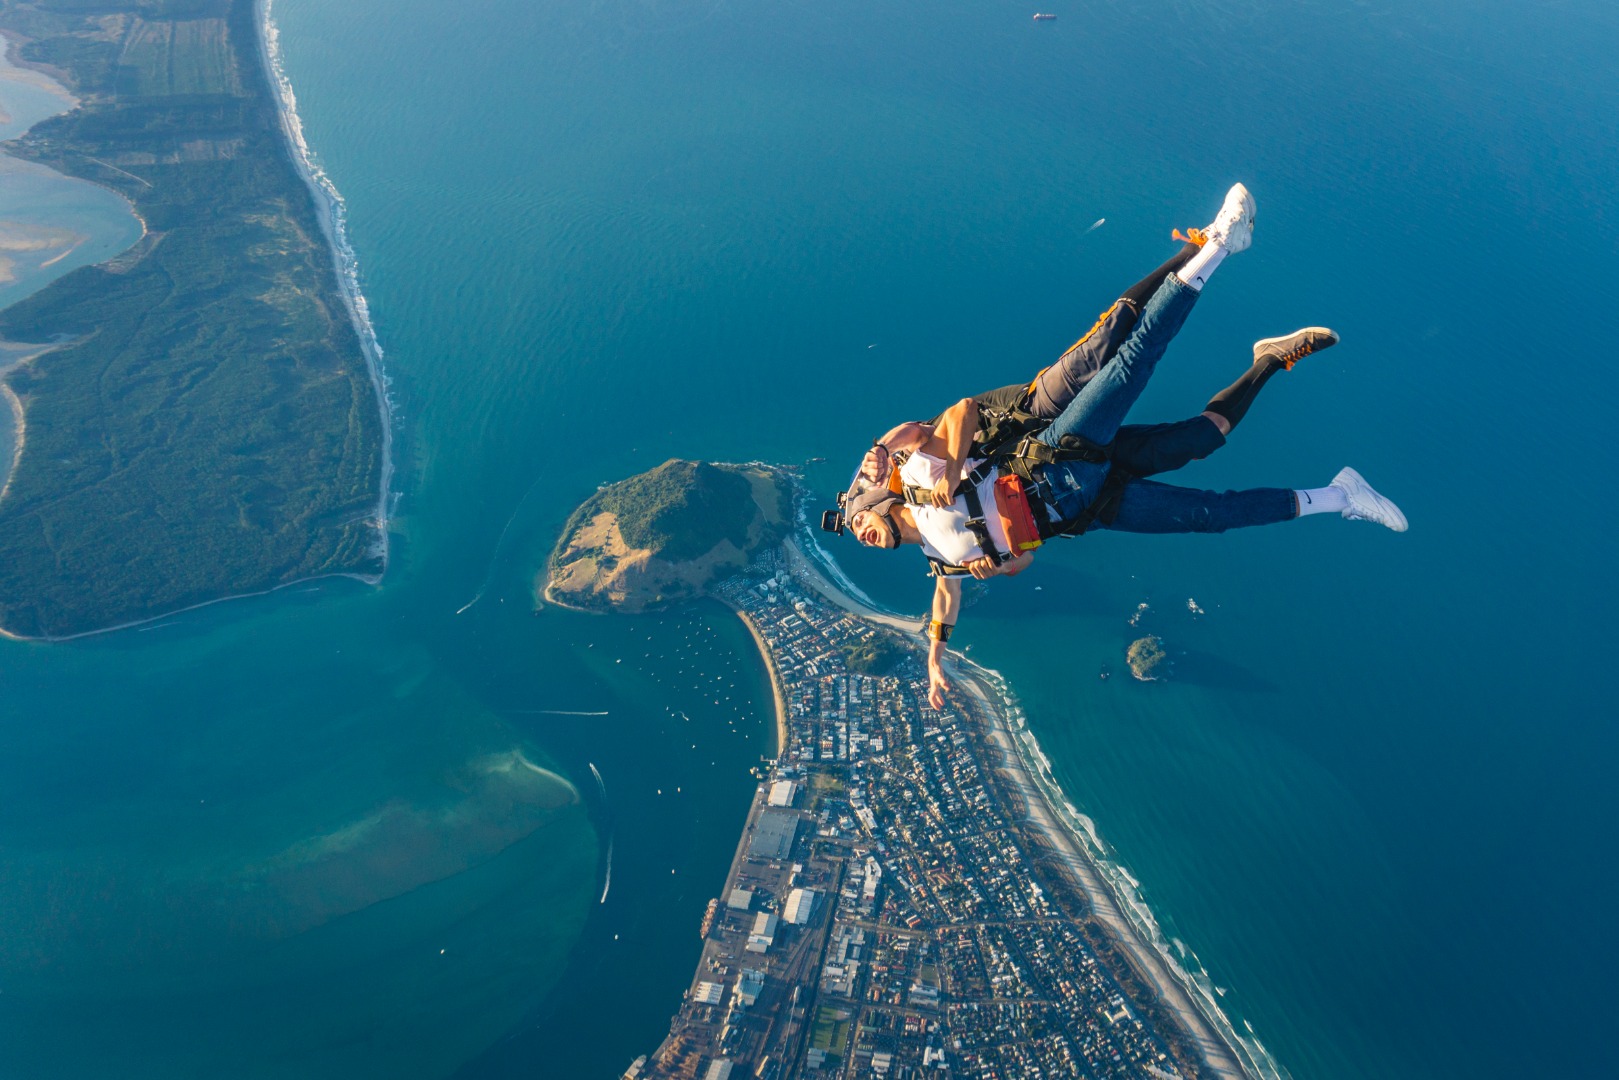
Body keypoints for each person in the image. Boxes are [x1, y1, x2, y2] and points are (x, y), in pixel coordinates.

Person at [820, 185, 1408, 708]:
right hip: (1087, 508)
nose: (865, 538)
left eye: (860, 524)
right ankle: (1333, 479)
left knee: (1128, 361)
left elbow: (953, 416)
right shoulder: (943, 563)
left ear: (874, 503)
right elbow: (1001, 573)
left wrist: (931, 466)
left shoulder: (919, 485)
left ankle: (1220, 244)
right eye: (863, 540)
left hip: (1057, 458)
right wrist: (954, 630)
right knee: (1207, 477)